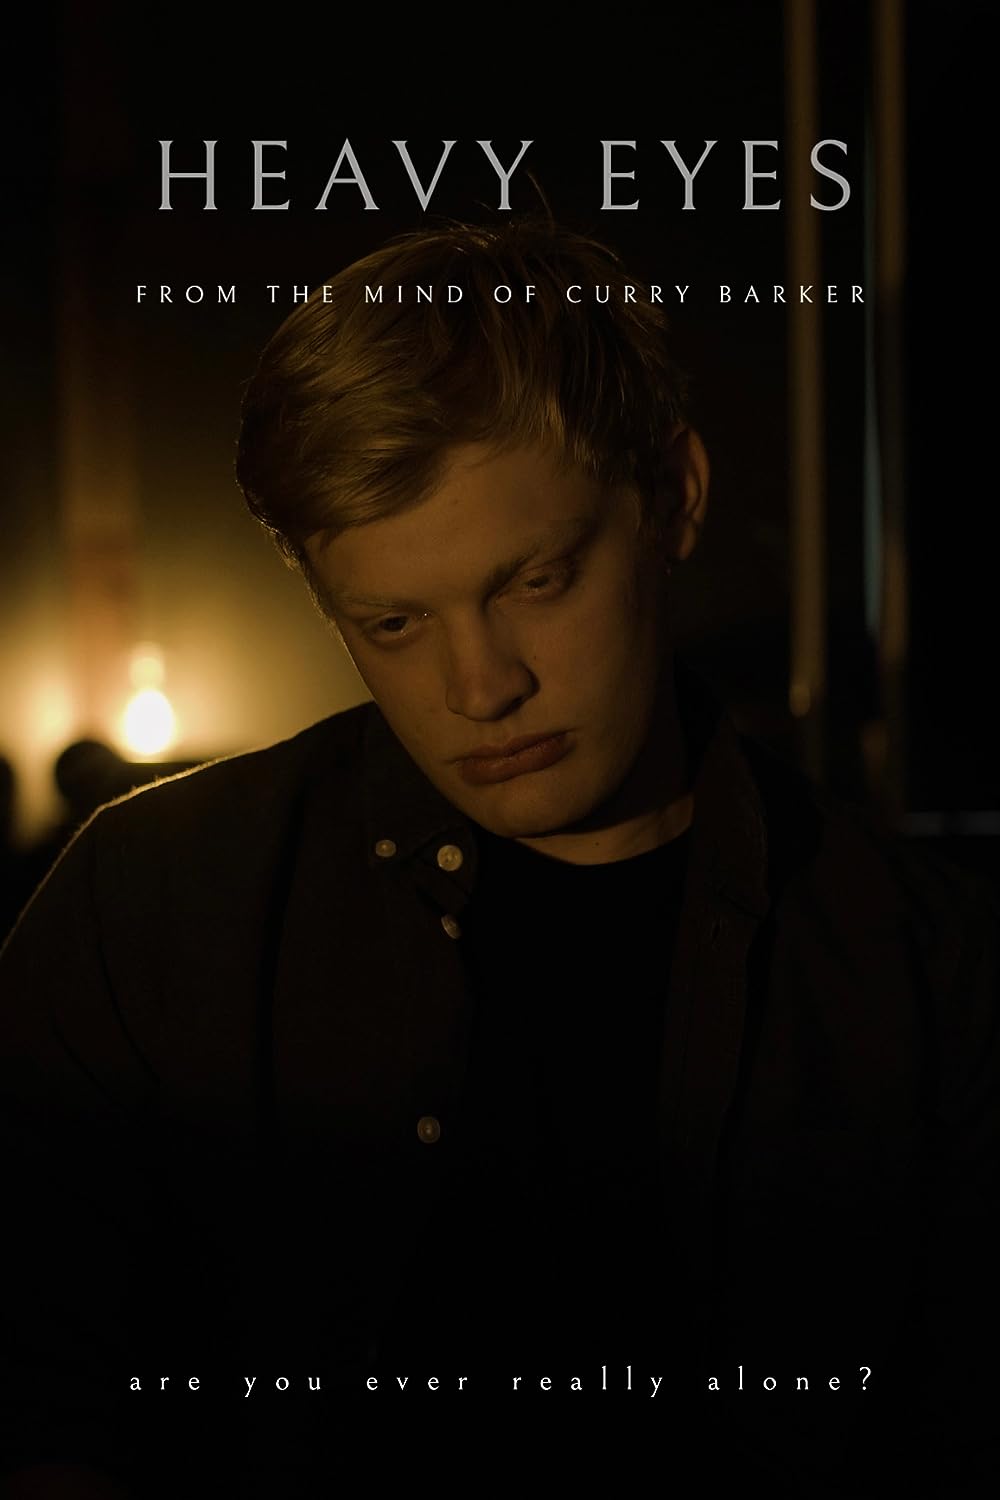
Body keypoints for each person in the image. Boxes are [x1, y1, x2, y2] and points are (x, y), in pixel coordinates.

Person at [0, 220, 996, 1498]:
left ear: (673, 498)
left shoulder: (923, 968)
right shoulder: (151, 908)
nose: (480, 689)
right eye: (392, 623)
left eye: (536, 582)